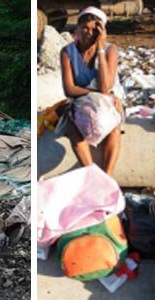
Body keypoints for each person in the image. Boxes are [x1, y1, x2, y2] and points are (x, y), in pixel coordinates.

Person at [60, 6, 125, 175]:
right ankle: (90, 173)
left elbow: (105, 86)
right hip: (81, 100)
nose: (88, 33)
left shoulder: (110, 50)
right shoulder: (67, 52)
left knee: (114, 128)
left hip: (108, 99)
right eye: (84, 28)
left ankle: (107, 176)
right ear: (77, 29)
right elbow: (69, 89)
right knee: (72, 128)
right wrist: (93, 95)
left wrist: (100, 49)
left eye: (94, 29)